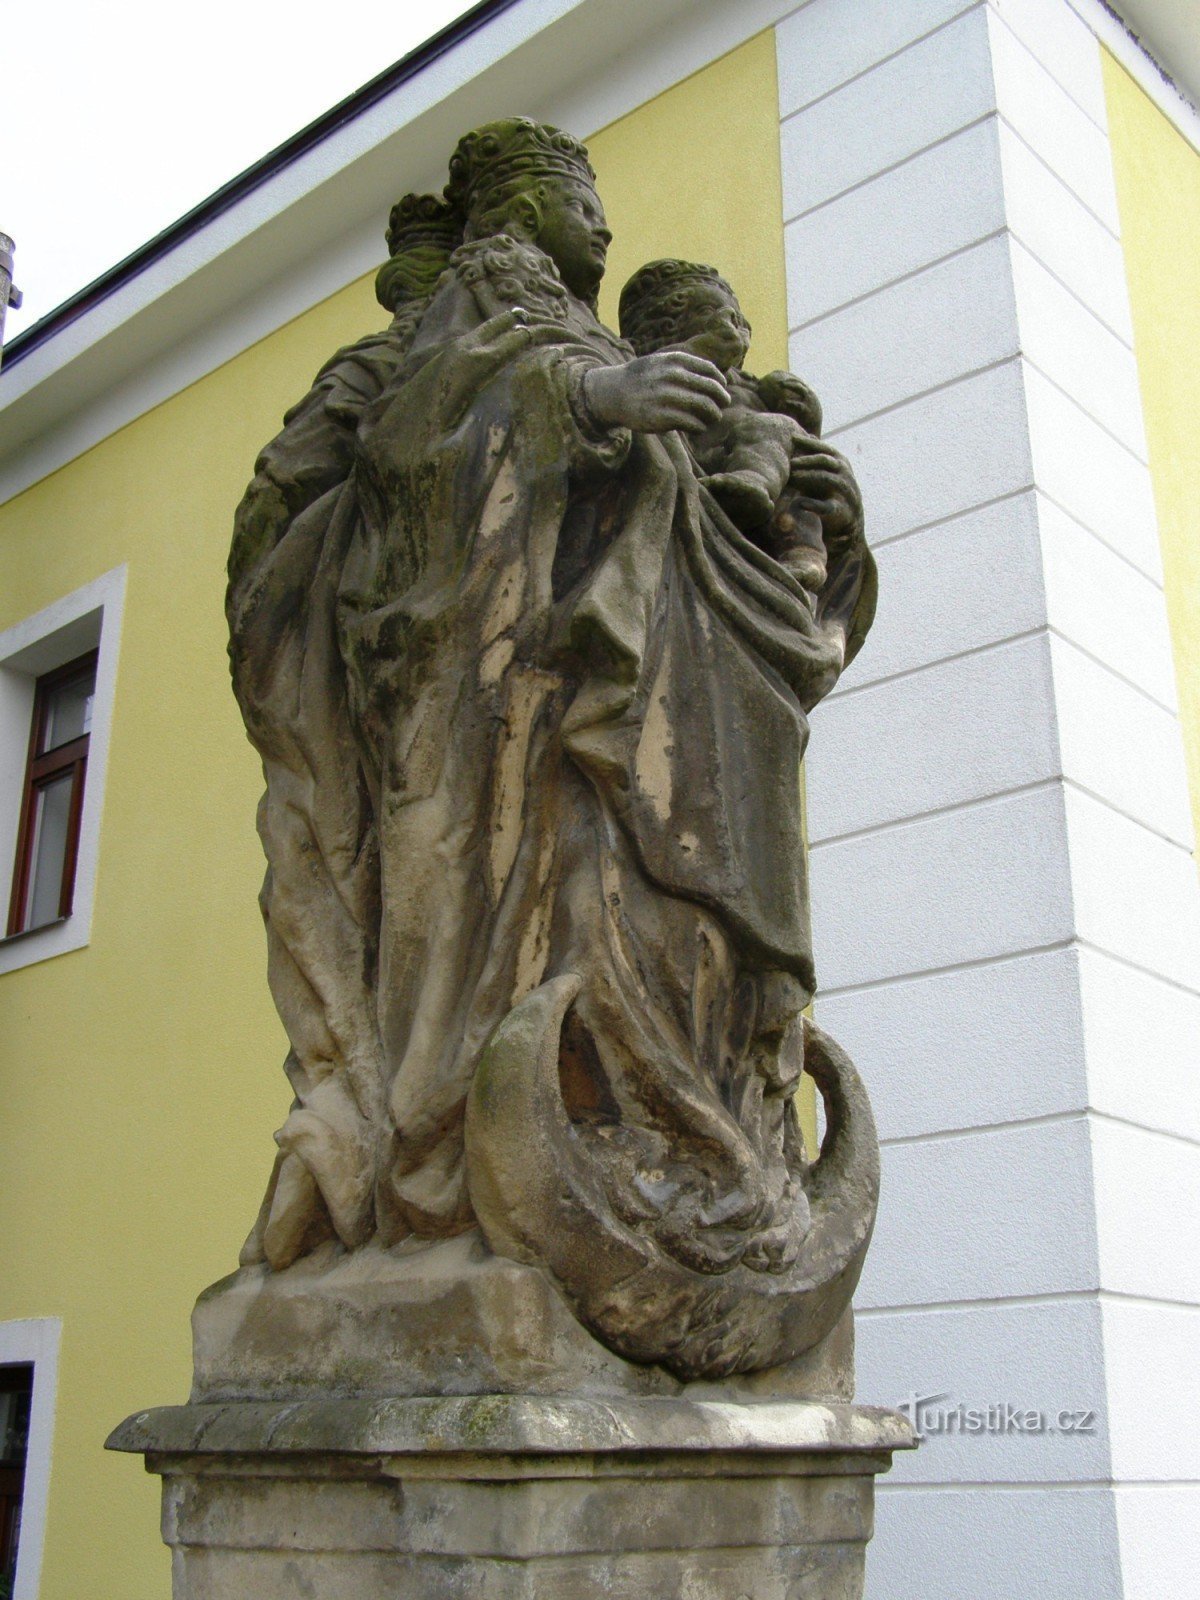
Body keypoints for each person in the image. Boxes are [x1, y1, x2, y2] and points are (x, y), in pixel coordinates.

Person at [228, 119, 877, 1372]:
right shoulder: (479, 321)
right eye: (583, 196)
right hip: (487, 712)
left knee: (646, 925)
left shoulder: (584, 338)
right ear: (525, 206)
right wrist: (588, 401)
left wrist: (807, 537)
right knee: (490, 923)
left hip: (632, 720)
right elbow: (404, 464)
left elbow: (709, 554)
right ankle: (449, 1152)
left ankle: (694, 1148)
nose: (605, 225)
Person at [619, 257, 830, 595]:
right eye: (709, 313)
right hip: (711, 471)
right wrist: (704, 352)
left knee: (776, 433)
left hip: (764, 478)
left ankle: (802, 550)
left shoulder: (752, 388)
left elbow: (804, 436)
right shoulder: (651, 374)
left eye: (736, 317)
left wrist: (804, 407)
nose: (731, 323)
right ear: (668, 327)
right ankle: (751, 490)